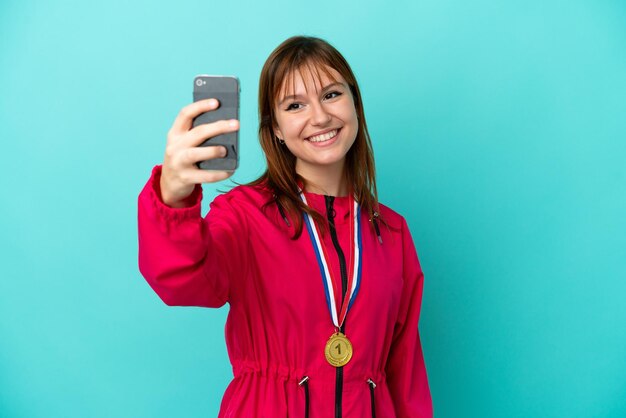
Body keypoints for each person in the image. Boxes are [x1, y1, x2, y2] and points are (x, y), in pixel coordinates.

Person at [138, 35, 432, 418]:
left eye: (331, 95)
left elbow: (405, 374)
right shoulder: (245, 216)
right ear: (275, 128)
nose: (320, 117)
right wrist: (173, 197)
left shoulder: (391, 233)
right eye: (295, 105)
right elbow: (182, 281)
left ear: (355, 104)